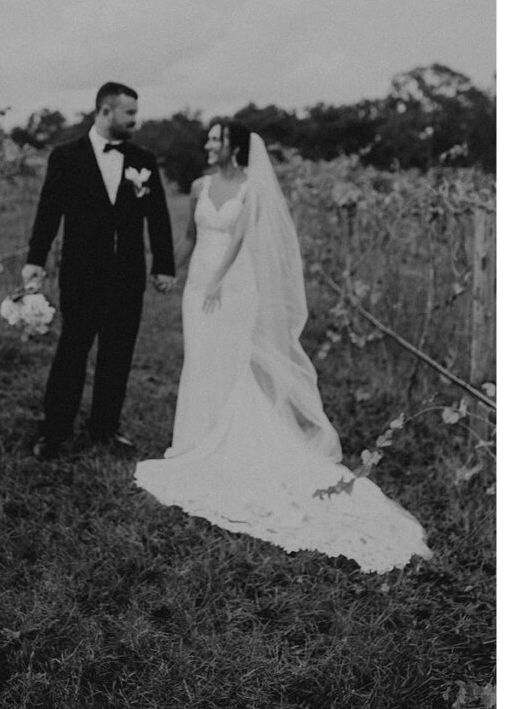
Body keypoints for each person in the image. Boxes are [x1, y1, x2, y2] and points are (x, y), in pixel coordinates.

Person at [135, 120, 432, 573]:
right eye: (208, 139)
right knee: (200, 358)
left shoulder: (252, 188)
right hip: (198, 285)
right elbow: (192, 239)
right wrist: (168, 271)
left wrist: (218, 280)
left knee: (233, 362)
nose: (207, 145)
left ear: (232, 145)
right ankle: (197, 436)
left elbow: (238, 241)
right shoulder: (199, 185)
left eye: (215, 139)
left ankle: (231, 438)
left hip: (232, 286)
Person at [23, 82, 176, 459]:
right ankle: (56, 431)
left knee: (117, 354)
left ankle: (105, 428)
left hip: (127, 275)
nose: (135, 121)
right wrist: (35, 260)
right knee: (71, 352)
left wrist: (164, 264)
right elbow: (49, 212)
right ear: (105, 112)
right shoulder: (66, 157)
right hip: (81, 274)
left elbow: (158, 217)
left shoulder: (143, 160)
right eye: (129, 114)